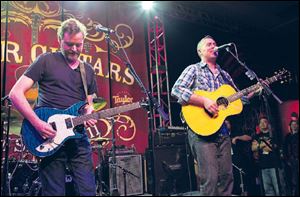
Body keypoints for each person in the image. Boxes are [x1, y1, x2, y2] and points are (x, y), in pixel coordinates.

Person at [9, 18, 97, 196]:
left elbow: (89, 103)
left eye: (78, 45)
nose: (74, 49)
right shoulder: (46, 61)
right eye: (69, 44)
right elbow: (15, 94)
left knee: (88, 191)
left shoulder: (87, 70)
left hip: (78, 138)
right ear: (60, 41)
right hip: (49, 135)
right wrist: (38, 124)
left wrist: (90, 113)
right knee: (54, 192)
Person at [171, 35, 259, 195]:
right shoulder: (194, 69)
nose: (214, 46)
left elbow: (239, 98)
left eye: (215, 44)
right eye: (209, 44)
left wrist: (255, 90)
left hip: (222, 130)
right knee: (210, 179)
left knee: (227, 177)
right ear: (200, 51)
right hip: (201, 131)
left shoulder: (225, 75)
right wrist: (204, 101)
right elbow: (176, 90)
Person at [251, 116, 283, 196]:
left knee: (278, 189)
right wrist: (262, 145)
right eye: (260, 122)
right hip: (263, 166)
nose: (262, 124)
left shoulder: (273, 134)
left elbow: (273, 147)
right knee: (268, 191)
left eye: (264, 122)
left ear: (268, 123)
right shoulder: (257, 136)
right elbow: (253, 148)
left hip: (274, 166)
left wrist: (260, 145)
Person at [283, 119, 299, 196]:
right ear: (290, 126)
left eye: (295, 124)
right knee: (294, 179)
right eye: (292, 124)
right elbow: (285, 149)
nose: (294, 126)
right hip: (292, 161)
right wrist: (287, 160)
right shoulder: (287, 137)